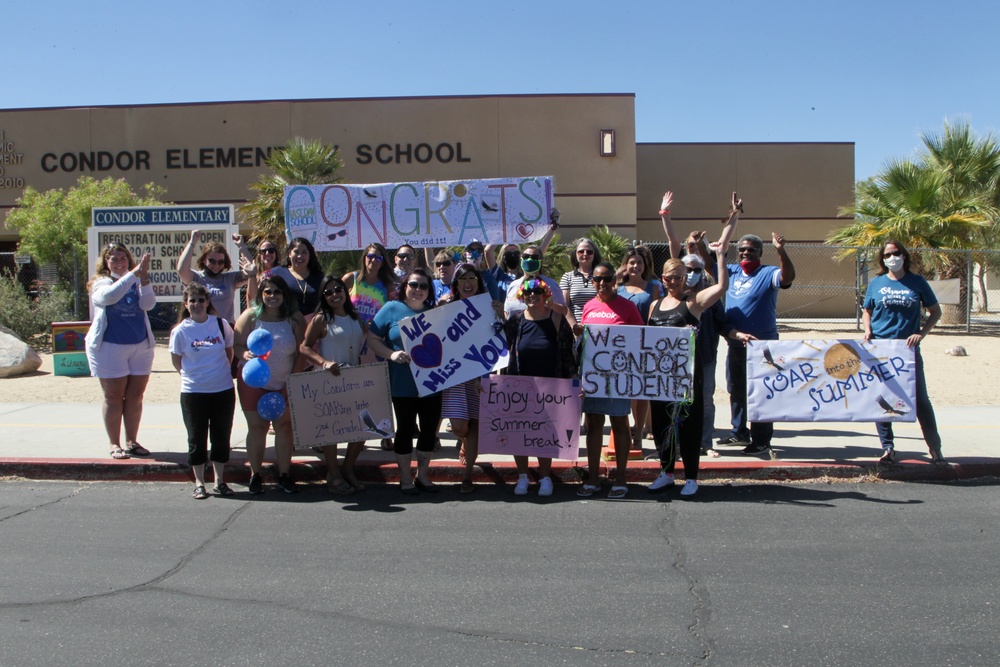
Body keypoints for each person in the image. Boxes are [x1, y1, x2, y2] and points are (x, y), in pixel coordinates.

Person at [646, 196, 740, 497]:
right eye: (669, 278)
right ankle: (665, 471)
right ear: (662, 279)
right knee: (662, 422)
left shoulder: (694, 302)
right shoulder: (654, 305)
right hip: (660, 378)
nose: (673, 281)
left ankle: (691, 476)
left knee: (688, 421)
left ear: (685, 278)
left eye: (678, 277)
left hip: (688, 374)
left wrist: (721, 255)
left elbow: (722, 287)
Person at [863, 239, 946, 464]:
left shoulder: (917, 282)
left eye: (896, 253)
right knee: (883, 399)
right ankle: (888, 448)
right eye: (887, 255)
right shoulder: (876, 283)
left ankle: (935, 448)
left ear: (905, 255)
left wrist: (921, 333)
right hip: (881, 349)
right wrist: (868, 329)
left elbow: (935, 312)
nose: (892, 258)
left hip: (907, 350)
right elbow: (867, 311)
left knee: (920, 399)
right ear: (882, 259)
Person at [366, 268, 443, 494]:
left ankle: (423, 475)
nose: (418, 290)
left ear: (429, 290)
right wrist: (391, 354)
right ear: (405, 287)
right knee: (405, 430)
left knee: (429, 431)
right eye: (413, 285)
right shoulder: (391, 309)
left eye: (423, 286)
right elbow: (372, 338)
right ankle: (406, 478)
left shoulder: (435, 313)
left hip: (431, 384)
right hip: (402, 383)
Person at [719, 229, 796, 456]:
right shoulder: (731, 271)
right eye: (741, 249)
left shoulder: (768, 272)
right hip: (736, 342)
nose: (745, 253)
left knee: (761, 392)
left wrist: (781, 251)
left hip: (763, 346)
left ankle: (761, 440)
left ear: (760, 252)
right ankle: (739, 431)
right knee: (736, 388)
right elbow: (707, 263)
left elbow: (787, 278)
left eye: (751, 250)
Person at [502, 278, 578, 497]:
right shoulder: (515, 321)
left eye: (537, 291)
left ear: (545, 295)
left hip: (550, 388)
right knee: (520, 431)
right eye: (527, 293)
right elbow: (502, 354)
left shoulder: (557, 319)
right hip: (519, 387)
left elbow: (567, 354)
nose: (532, 295)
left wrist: (574, 382)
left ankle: (545, 477)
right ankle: (523, 476)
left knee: (545, 432)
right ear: (521, 297)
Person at [233, 275, 305, 494]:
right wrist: (243, 352)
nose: (272, 296)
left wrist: (292, 380)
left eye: (277, 292)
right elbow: (236, 344)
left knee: (284, 428)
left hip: (283, 382)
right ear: (261, 295)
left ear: (284, 295)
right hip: (254, 384)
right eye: (268, 292)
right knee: (258, 428)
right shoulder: (250, 317)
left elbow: (302, 352)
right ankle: (255, 475)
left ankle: (284, 475)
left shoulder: (294, 319)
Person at [85, 242, 156, 460]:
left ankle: (132, 442)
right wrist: (133, 274)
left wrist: (143, 279)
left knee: (135, 396)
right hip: (109, 347)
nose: (118, 262)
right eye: (113, 258)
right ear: (105, 262)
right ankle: (114, 443)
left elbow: (148, 304)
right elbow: (109, 297)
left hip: (140, 346)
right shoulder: (100, 283)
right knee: (114, 396)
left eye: (122, 258)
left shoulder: (135, 280)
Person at [578, 262, 644, 499]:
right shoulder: (588, 307)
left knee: (619, 423)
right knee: (593, 424)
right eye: (597, 279)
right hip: (594, 378)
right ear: (592, 281)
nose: (602, 283)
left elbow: (640, 339)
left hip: (620, 377)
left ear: (614, 280)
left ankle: (621, 477)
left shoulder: (628, 307)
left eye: (607, 279)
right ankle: (594, 477)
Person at [298, 276, 368, 493]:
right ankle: (334, 474)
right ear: (323, 297)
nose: (335, 294)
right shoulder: (321, 319)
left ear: (346, 292)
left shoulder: (356, 317)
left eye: (338, 289)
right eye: (328, 292)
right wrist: (324, 362)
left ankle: (347, 469)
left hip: (354, 380)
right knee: (332, 430)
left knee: (363, 428)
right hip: (330, 381)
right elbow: (304, 347)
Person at [169, 283, 236, 499]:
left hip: (222, 389)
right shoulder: (180, 331)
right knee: (196, 438)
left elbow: (229, 352)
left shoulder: (221, 324)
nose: (197, 304)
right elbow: (176, 361)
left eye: (201, 300)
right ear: (186, 304)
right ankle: (199, 482)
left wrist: (218, 373)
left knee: (221, 436)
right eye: (192, 300)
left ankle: (219, 480)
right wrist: (193, 377)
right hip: (193, 392)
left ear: (207, 302)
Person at [439, 264, 497, 493]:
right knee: (459, 427)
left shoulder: (488, 307)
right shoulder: (445, 307)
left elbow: (498, 341)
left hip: (479, 374)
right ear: (456, 284)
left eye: (472, 277)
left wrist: (499, 313)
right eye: (463, 278)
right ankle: (462, 443)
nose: (468, 282)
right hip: (454, 375)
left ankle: (467, 475)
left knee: (474, 422)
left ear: (478, 282)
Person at [617, 245, 660, 450]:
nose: (635, 266)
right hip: (621, 346)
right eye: (631, 262)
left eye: (639, 262)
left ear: (645, 265)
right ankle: (625, 430)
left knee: (642, 391)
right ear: (625, 265)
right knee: (623, 391)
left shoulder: (653, 286)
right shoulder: (617, 288)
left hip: (645, 345)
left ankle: (640, 431)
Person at [177, 230, 256, 324]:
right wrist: (192, 242)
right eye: (212, 261)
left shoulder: (230, 279)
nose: (216, 265)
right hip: (201, 327)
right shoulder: (196, 278)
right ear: (204, 260)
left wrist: (242, 246)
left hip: (225, 329)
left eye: (220, 262)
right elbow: (181, 269)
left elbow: (253, 270)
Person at [485, 207, 561, 295]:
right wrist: (504, 229)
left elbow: (540, 251)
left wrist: (553, 227)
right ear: (503, 257)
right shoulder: (498, 275)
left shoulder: (527, 274)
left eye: (516, 253)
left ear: (521, 257)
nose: (513, 255)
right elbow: (488, 251)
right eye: (509, 254)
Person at [503, 245, 567, 318]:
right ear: (521, 259)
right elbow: (507, 313)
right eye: (526, 256)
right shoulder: (513, 285)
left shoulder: (551, 284)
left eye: (534, 257)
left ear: (541, 261)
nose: (529, 260)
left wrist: (551, 304)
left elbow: (564, 311)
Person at [267, 237, 325, 315]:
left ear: (310, 255)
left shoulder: (319, 277)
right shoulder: (276, 273)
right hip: (286, 322)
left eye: (304, 252)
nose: (300, 256)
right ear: (289, 254)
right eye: (296, 252)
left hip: (313, 324)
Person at [342, 242, 396, 324]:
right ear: (364, 258)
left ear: (382, 262)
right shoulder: (350, 279)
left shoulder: (388, 285)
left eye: (378, 258)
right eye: (370, 256)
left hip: (374, 333)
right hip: (350, 330)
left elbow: (390, 314)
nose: (374, 260)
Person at [560, 237, 602, 336]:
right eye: (581, 251)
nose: (585, 254)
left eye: (589, 252)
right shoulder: (568, 277)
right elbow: (565, 307)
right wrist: (575, 328)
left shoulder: (601, 277)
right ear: (575, 254)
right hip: (574, 330)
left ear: (594, 254)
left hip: (599, 330)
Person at [245, 238, 281, 306]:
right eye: (263, 251)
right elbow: (252, 301)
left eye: (271, 251)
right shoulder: (255, 276)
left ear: (276, 253)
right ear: (259, 256)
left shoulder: (283, 272)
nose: (267, 253)